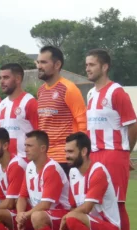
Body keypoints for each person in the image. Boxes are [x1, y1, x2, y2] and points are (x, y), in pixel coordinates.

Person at [85, 49, 137, 230]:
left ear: (105, 67)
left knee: (117, 205)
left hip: (113, 154)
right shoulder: (90, 94)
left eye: (92, 65)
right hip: (94, 156)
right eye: (86, 65)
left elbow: (133, 125)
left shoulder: (117, 93)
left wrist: (126, 152)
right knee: (96, 207)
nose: (87, 68)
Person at [50, 132, 120, 230]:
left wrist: (68, 218)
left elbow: (87, 208)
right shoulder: (74, 172)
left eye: (70, 152)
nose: (66, 156)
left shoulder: (98, 171)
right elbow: (74, 207)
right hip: (86, 228)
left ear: (84, 151)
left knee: (72, 217)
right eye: (65, 151)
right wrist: (71, 227)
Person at [16, 130, 71, 230]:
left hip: (62, 216)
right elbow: (22, 196)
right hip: (43, 218)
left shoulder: (51, 168)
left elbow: (46, 204)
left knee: (37, 215)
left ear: (42, 148)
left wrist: (25, 215)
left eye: (29, 146)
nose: (25, 149)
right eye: (25, 145)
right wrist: (20, 214)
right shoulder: (29, 167)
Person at [36, 46, 87, 175]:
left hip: (64, 158)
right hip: (45, 158)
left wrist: (77, 153)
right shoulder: (41, 91)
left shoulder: (69, 88)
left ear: (57, 64)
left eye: (43, 62)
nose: (39, 66)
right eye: (38, 62)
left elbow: (83, 123)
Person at [0, 63, 38, 158]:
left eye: (6, 77)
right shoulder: (1, 105)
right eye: (0, 78)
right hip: (7, 160)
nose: (2, 81)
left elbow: (39, 134)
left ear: (18, 79)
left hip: (25, 160)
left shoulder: (29, 102)